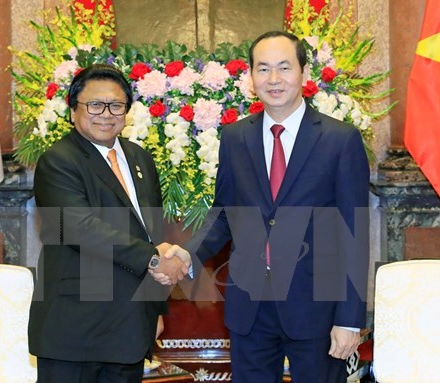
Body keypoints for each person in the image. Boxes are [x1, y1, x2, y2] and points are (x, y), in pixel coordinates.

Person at [156, 31, 370, 382]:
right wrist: (184, 253)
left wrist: (348, 319)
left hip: (316, 309)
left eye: (284, 68)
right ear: (250, 77)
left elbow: (353, 234)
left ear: (303, 72)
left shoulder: (340, 139)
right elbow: (224, 214)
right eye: (263, 69)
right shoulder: (236, 138)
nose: (273, 79)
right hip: (250, 309)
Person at [28, 63, 189, 383]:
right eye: (95, 105)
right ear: (73, 110)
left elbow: (150, 231)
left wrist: (154, 308)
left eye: (116, 105)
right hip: (75, 332)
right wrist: (154, 260)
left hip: (128, 331)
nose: (106, 113)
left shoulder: (140, 158)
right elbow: (79, 228)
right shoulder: (59, 160)